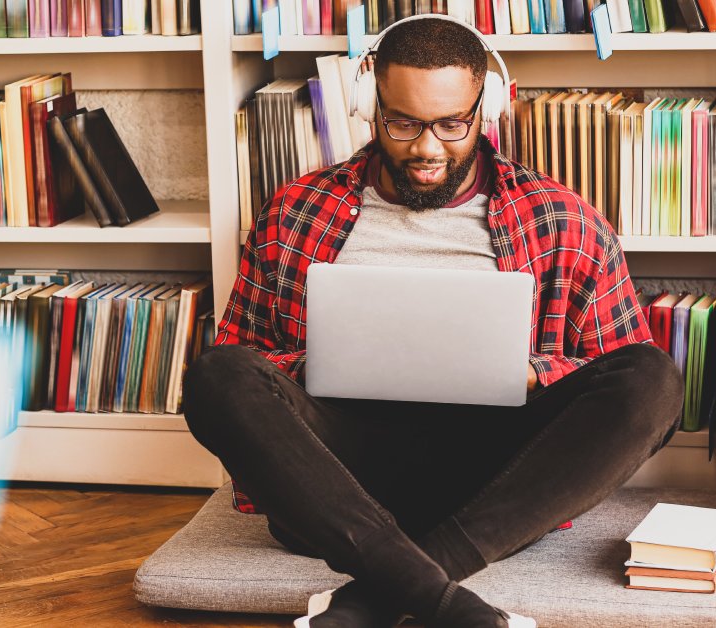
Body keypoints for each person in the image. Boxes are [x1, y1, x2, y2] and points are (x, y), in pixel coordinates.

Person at [181, 16, 684, 628]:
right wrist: (318, 365)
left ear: (487, 108)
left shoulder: (563, 220)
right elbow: (245, 358)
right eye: (404, 123)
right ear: (368, 106)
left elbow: (619, 383)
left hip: (495, 477)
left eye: (452, 124)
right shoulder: (297, 211)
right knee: (216, 374)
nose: (426, 148)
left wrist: (530, 375)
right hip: (340, 475)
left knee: (653, 378)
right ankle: (452, 606)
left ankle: (374, 595)